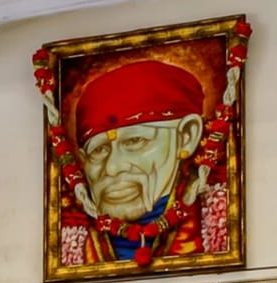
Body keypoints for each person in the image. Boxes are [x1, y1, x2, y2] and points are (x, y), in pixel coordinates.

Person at [57, 58, 229, 271]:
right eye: (98, 150)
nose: (112, 167)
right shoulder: (72, 237)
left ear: (186, 137)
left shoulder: (216, 219)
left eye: (135, 141)